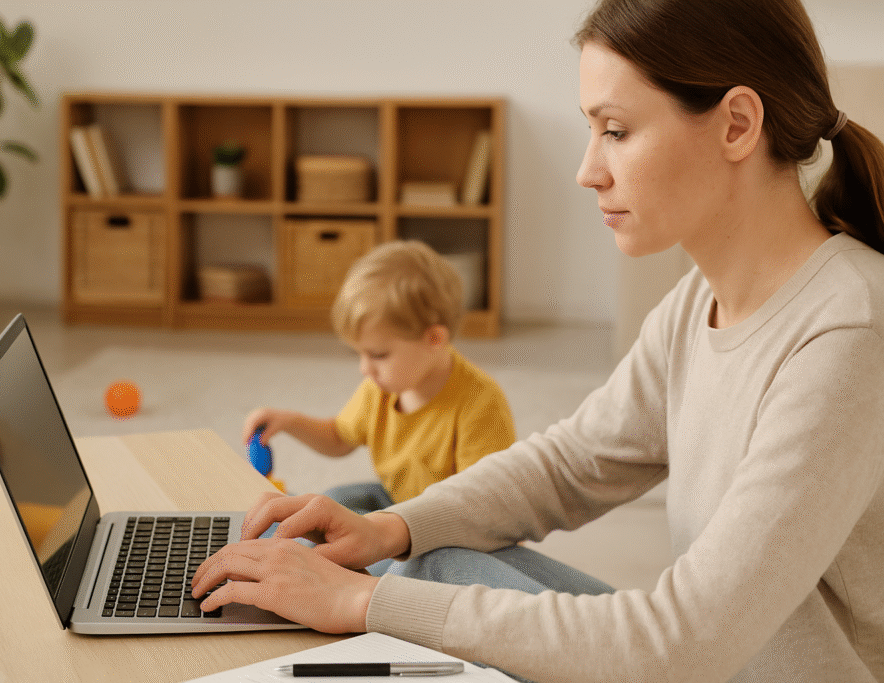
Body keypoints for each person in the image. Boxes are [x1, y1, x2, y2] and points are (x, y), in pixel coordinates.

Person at [193, 0, 884, 679]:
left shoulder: (848, 331)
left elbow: (682, 642)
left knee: (400, 589)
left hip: (702, 662)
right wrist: (390, 529)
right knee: (415, 550)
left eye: (616, 131)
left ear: (737, 125)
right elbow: (571, 464)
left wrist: (360, 601)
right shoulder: (697, 303)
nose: (588, 170)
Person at [242, 239, 516, 514]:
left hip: (449, 518)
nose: (365, 369)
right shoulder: (380, 388)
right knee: (332, 501)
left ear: (434, 338)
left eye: (378, 355)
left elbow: (482, 506)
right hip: (397, 500)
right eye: (359, 354)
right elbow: (339, 438)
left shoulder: (481, 403)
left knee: (347, 524)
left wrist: (397, 532)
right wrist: (290, 422)